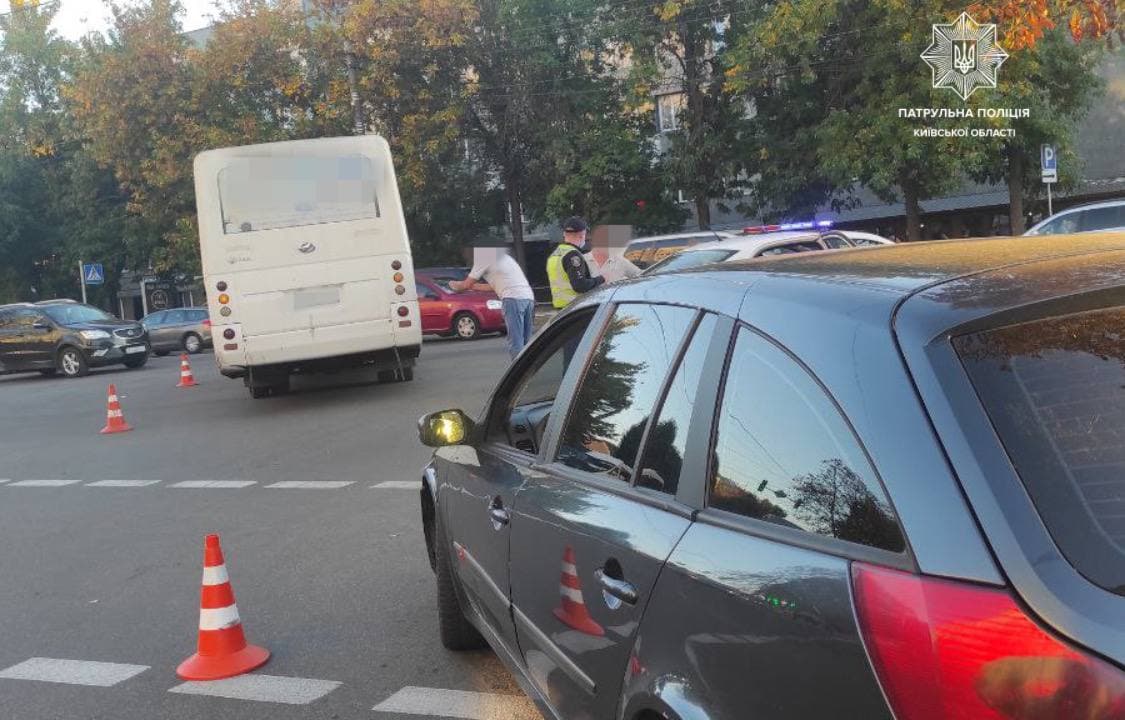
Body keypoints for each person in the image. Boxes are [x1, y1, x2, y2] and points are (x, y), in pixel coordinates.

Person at [449, 244, 536, 360]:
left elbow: (465, 285)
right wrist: (470, 286)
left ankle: (519, 370)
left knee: (516, 341)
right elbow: (492, 286)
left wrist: (454, 286)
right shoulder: (503, 257)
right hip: (528, 298)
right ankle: (531, 366)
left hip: (512, 298)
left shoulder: (483, 258)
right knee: (527, 341)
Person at [546, 216, 605, 309]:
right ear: (582, 235)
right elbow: (580, 285)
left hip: (562, 309)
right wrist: (601, 279)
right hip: (575, 307)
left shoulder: (555, 254)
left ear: (564, 234)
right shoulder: (573, 255)